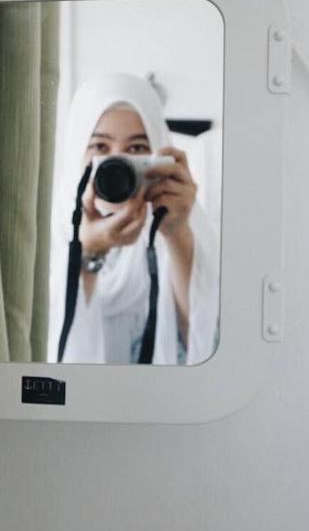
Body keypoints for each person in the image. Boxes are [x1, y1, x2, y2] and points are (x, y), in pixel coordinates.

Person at [48, 74, 220, 365]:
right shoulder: (46, 236)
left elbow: (204, 346)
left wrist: (176, 231)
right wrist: (86, 252)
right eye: (100, 147)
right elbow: (47, 350)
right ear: (76, 152)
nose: (118, 164)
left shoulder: (178, 226)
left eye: (137, 149)